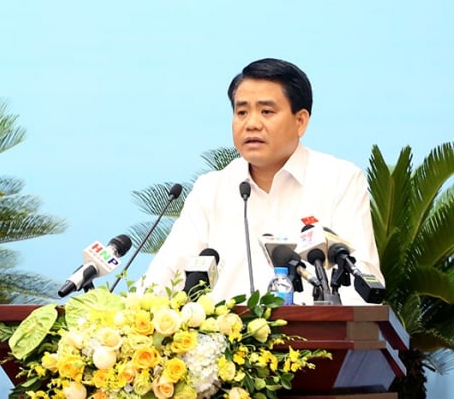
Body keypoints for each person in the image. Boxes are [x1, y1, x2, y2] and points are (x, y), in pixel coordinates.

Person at [140, 58, 383, 305]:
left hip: (313, 329)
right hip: (224, 328)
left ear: (300, 121)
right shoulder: (211, 189)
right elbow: (162, 278)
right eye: (242, 112)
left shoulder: (339, 180)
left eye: (266, 112)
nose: (252, 124)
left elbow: (361, 284)